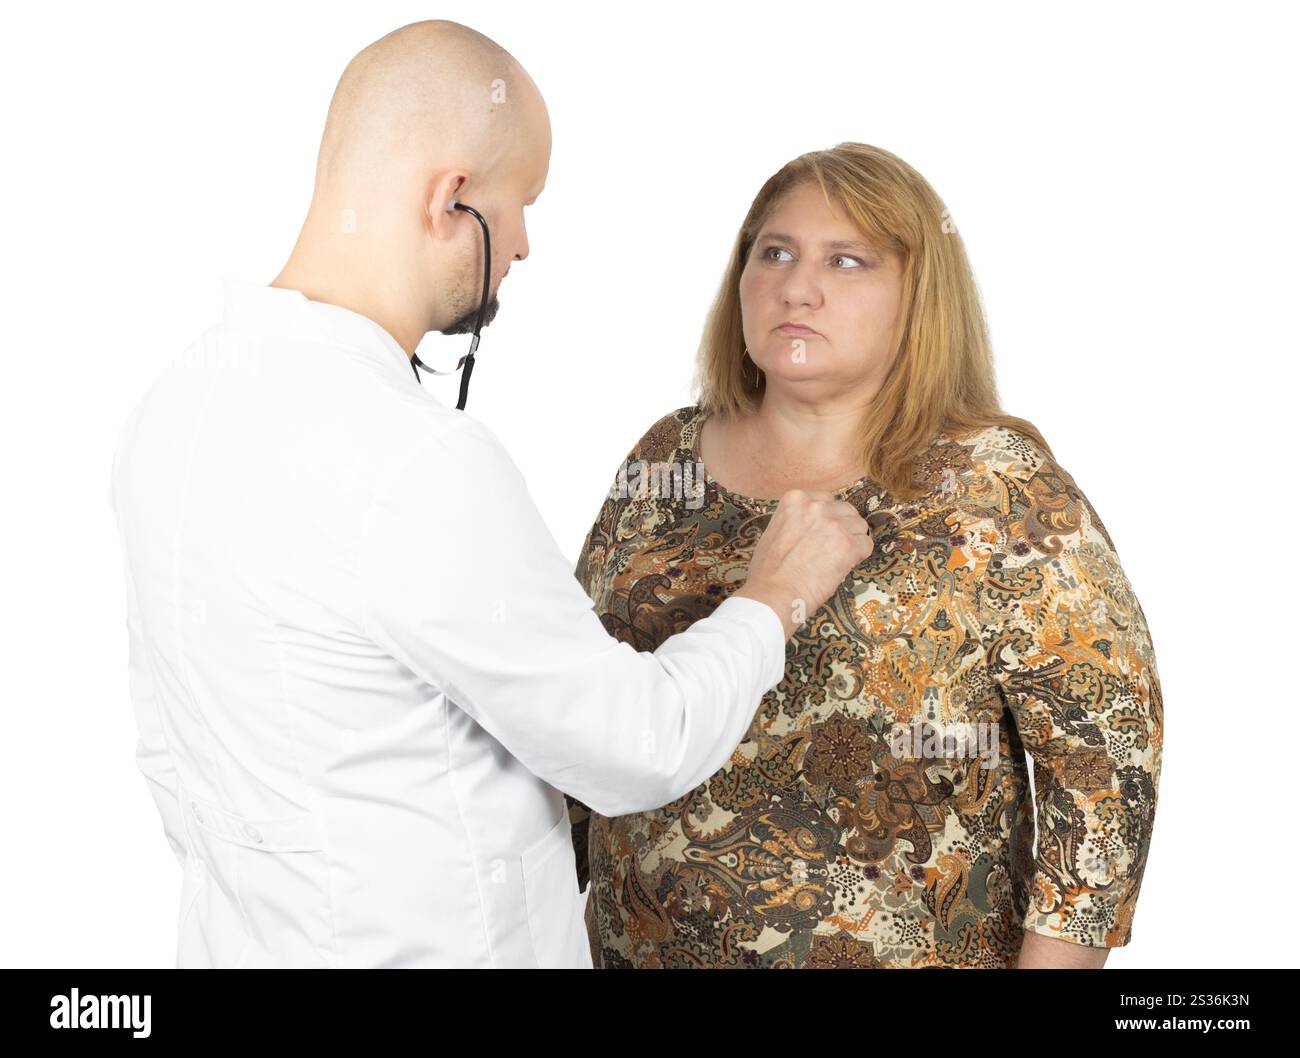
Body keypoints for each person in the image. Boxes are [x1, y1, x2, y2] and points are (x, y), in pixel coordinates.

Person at [108, 21, 874, 969]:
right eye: (518, 205)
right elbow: (638, 742)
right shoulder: (411, 460)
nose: (522, 245)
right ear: (449, 200)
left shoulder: (176, 405)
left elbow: (168, 761)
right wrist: (774, 595)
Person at [568, 142, 1163, 969]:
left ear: (920, 298)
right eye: (774, 252)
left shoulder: (997, 487)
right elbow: (579, 709)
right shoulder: (668, 457)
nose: (797, 285)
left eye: (847, 262)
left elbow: (1103, 773)